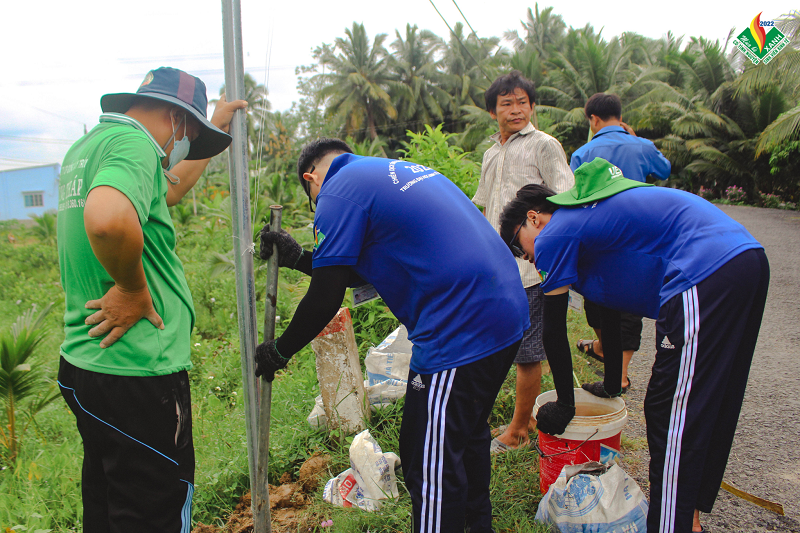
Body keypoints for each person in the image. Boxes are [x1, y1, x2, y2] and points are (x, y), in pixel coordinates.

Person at [258, 138, 529, 533]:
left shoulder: (336, 188)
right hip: (503, 308)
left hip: (459, 328)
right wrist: (300, 258)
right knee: (465, 436)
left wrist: (279, 351)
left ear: (311, 178)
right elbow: (357, 267)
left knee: (427, 459)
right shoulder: (386, 173)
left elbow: (327, 294)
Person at [499, 158, 769, 533]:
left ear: (533, 218)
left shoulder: (556, 233)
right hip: (743, 258)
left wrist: (565, 403)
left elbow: (553, 329)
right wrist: (611, 384)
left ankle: (671, 522)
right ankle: (687, 515)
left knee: (669, 410)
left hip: (704, 268)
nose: (525, 256)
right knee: (708, 398)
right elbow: (606, 308)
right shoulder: (589, 225)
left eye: (517, 244)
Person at [56, 67, 246, 532]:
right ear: (173, 117)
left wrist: (215, 123)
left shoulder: (88, 147)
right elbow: (106, 218)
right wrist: (133, 289)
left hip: (88, 367)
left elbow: (172, 188)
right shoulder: (136, 146)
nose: (178, 148)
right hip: (139, 373)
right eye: (189, 134)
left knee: (108, 505)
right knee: (155, 514)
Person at [472, 70, 574, 453]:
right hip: (499, 266)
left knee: (528, 350)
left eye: (522, 102)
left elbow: (565, 200)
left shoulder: (545, 145)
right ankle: (526, 416)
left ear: (532, 106)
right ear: (492, 110)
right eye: (506, 103)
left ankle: (517, 431)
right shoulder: (490, 153)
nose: (516, 110)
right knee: (505, 340)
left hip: (532, 265)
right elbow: (486, 207)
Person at [569, 92, 672, 393]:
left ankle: (619, 376)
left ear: (593, 119)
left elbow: (576, 195)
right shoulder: (643, 147)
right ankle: (611, 357)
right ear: (619, 116)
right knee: (630, 302)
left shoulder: (583, 153)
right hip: (640, 235)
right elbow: (664, 171)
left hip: (598, 236)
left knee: (597, 296)